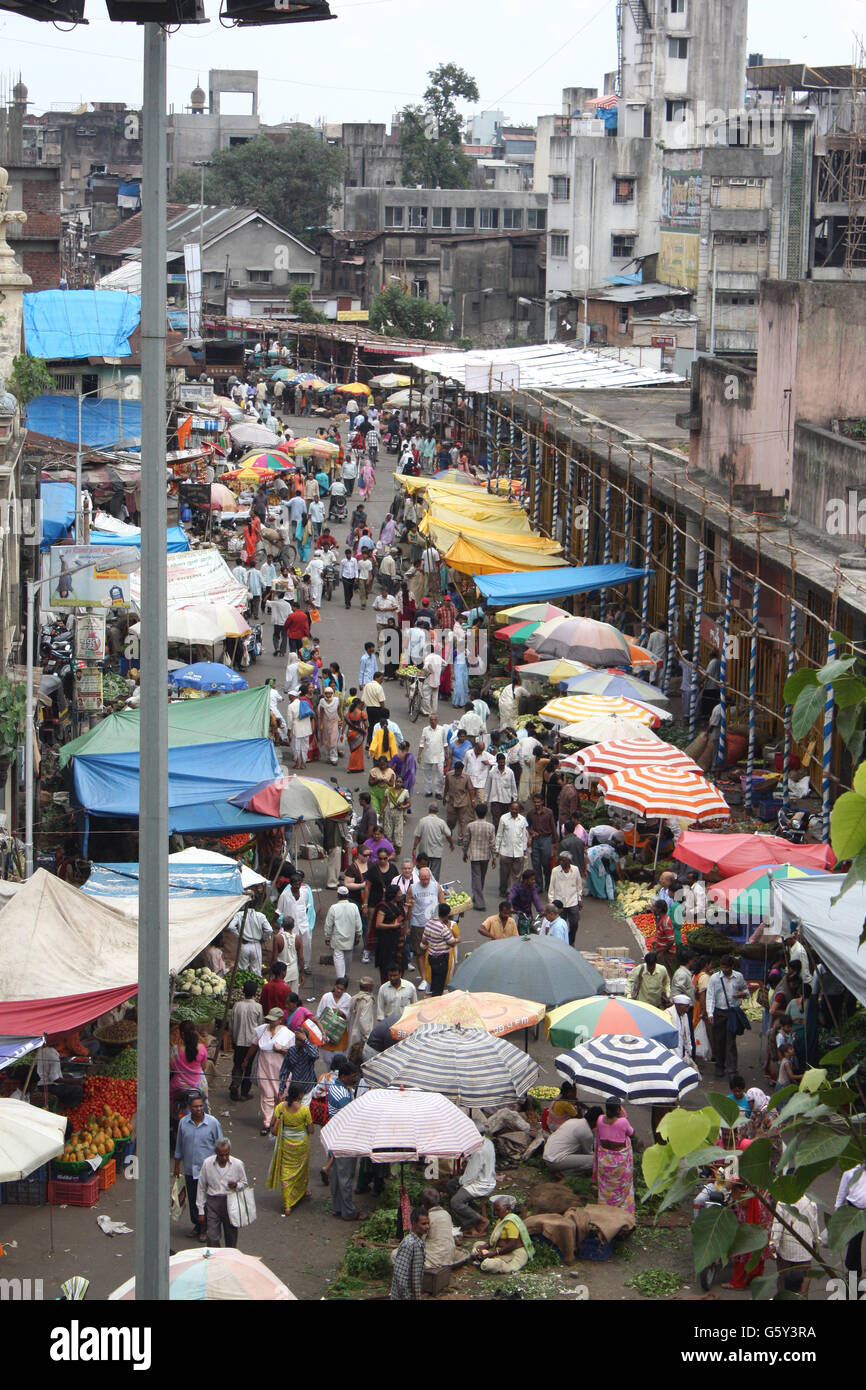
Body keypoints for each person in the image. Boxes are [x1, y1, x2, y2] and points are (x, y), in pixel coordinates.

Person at [173, 1094, 223, 1241]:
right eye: (195, 1106)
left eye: (201, 1106)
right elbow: (179, 1147)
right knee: (194, 1199)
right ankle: (197, 1225)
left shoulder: (213, 1123)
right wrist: (177, 1167)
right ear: (190, 1108)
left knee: (207, 1200)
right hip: (190, 1169)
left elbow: (221, 1146)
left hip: (208, 1171)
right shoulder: (183, 1123)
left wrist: (221, 1168)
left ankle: (205, 1228)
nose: (199, 1109)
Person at [267, 1081, 314, 1217]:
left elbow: (271, 1124)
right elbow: (311, 1130)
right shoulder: (304, 1110)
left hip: (285, 1144)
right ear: (300, 1095)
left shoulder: (280, 1107)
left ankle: (288, 1204)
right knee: (301, 1170)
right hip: (301, 1145)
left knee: (286, 1172)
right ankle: (301, 1192)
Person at [244, 1008, 292, 1134]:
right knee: (267, 1094)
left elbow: (292, 1053)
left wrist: (281, 1049)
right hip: (264, 1066)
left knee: (280, 1095)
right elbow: (254, 1045)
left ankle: (278, 1120)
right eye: (269, 1019)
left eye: (273, 1020)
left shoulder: (287, 1034)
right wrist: (246, 1059)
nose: (270, 1022)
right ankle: (267, 1122)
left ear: (280, 1020)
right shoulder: (262, 1030)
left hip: (280, 1068)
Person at [197, 1138, 248, 1248]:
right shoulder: (207, 1163)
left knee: (231, 1236)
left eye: (226, 1154)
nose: (224, 1157)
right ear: (216, 1153)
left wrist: (236, 1185)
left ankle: (230, 1259)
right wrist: (201, 1210)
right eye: (221, 1155)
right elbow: (201, 1187)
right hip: (212, 1202)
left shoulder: (238, 1164)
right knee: (212, 1236)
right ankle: (216, 1260)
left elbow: (244, 1183)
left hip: (230, 1202)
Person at [706, 953, 750, 1079]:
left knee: (730, 1042)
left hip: (732, 1013)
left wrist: (741, 994)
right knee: (719, 1041)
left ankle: (732, 1069)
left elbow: (746, 992)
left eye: (726, 967)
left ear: (732, 966)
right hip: (719, 1013)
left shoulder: (739, 977)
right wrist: (710, 1013)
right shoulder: (715, 978)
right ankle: (719, 1066)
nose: (724, 970)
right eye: (722, 967)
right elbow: (710, 996)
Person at [328, 1061, 362, 1221]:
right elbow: (350, 1118)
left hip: (335, 1138)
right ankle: (348, 1211)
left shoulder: (337, 1087)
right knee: (345, 1177)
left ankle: (338, 1207)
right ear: (343, 1076)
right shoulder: (342, 1095)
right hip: (344, 1139)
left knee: (337, 1176)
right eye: (352, 1077)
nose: (354, 1080)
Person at [447, 1127, 497, 1233]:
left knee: (455, 1202)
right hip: (487, 1178)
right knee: (451, 1184)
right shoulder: (488, 1142)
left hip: (480, 1184)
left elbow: (470, 1176)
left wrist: (461, 1183)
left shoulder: (478, 1151)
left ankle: (476, 1221)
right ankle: (472, 1209)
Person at [472, 1194, 534, 1275]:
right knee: (477, 1245)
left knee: (488, 1265)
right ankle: (487, 1259)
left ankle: (493, 1263)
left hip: (514, 1253)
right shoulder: (501, 1220)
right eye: (494, 1210)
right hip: (501, 1250)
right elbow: (494, 1239)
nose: (495, 1212)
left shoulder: (510, 1222)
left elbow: (512, 1245)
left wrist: (494, 1253)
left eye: (498, 1210)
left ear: (507, 1209)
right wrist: (485, 1246)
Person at [594, 1098, 635, 1215]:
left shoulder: (600, 1119)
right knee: (622, 1191)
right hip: (620, 1164)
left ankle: (605, 1211)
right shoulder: (623, 1122)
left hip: (605, 1161)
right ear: (618, 1109)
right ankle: (622, 1212)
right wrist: (623, 1116)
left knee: (606, 1188)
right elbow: (632, 1133)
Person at [834, 1162, 866, 1281]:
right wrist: (838, 1212)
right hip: (854, 1209)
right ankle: (853, 1271)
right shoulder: (850, 1172)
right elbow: (842, 1193)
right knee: (854, 1242)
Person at [390, 1207, 429, 1299]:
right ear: (414, 1224)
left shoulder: (420, 1242)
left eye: (428, 1223)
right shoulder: (409, 1244)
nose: (427, 1226)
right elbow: (400, 1275)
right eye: (423, 1224)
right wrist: (407, 1296)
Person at [420, 903, 458, 996]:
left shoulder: (429, 923)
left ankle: (433, 996)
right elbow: (451, 942)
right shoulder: (443, 928)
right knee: (439, 985)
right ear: (447, 914)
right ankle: (435, 1000)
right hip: (441, 959)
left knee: (434, 980)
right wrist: (458, 939)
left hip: (431, 957)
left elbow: (424, 939)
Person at [495, 800, 530, 898]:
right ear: (510, 809)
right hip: (506, 851)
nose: (514, 811)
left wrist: (524, 849)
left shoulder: (522, 820)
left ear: (519, 810)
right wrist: (497, 849)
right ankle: (503, 889)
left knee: (517, 874)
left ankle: (513, 892)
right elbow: (499, 834)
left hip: (518, 851)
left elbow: (524, 836)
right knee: (504, 873)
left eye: (516, 809)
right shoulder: (504, 818)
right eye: (512, 809)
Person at [464, 806, 496, 910]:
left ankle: (479, 901)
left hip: (475, 855)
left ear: (476, 813)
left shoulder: (470, 826)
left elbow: (466, 841)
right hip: (485, 856)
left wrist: (464, 852)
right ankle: (479, 900)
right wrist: (494, 857)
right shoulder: (490, 827)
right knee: (481, 877)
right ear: (486, 813)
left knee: (476, 878)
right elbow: (492, 843)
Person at [547, 850, 582, 945]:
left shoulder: (575, 870)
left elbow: (579, 886)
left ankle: (571, 941)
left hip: (572, 901)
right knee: (561, 924)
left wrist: (579, 899)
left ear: (569, 861)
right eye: (561, 860)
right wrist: (551, 903)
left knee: (574, 923)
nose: (562, 862)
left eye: (564, 860)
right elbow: (551, 888)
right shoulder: (555, 871)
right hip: (559, 902)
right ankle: (563, 942)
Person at [412, 801, 453, 882]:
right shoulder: (441, 822)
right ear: (437, 811)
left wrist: (414, 848)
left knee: (422, 871)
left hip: (424, 852)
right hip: (436, 853)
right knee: (434, 874)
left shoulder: (423, 821)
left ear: (429, 810)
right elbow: (448, 835)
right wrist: (451, 845)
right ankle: (434, 889)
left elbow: (418, 836)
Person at [277, 1025, 319, 1099]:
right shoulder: (291, 1051)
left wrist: (305, 1040)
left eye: (300, 1039)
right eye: (296, 1039)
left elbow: (315, 1055)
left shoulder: (311, 1049)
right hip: (294, 1089)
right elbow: (285, 1070)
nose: (297, 1041)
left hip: (308, 1088)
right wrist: (281, 1087)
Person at [442, 759, 475, 848]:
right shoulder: (449, 775)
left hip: (462, 802)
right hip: (451, 801)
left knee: (462, 821)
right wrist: (444, 797)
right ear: (455, 769)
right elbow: (446, 787)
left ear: (462, 769)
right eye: (457, 770)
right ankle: (450, 829)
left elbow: (470, 789)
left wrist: (472, 801)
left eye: (460, 770)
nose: (458, 772)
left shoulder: (466, 777)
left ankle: (461, 837)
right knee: (450, 820)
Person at [485, 752, 519, 830]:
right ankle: (496, 835)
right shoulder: (492, 772)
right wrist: (486, 799)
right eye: (500, 762)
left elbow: (513, 786)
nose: (502, 764)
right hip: (495, 799)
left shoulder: (510, 772)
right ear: (497, 762)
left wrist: (514, 799)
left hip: (506, 799)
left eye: (503, 762)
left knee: (505, 819)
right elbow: (488, 786)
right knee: (496, 819)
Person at [418, 714, 447, 798]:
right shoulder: (425, 730)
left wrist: (447, 755)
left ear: (437, 721)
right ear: (429, 721)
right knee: (427, 774)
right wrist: (419, 755)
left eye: (434, 720)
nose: (433, 721)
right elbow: (421, 743)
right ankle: (428, 791)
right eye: (431, 720)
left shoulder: (442, 729)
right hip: (428, 755)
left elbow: (445, 743)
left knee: (441, 774)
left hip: (440, 756)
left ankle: (438, 791)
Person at [668, 994, 696, 1062]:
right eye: (685, 1007)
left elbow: (687, 1035)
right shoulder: (668, 1015)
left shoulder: (684, 1016)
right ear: (678, 1005)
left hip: (682, 1054)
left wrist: (689, 1052)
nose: (687, 1010)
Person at [345, 697, 368, 773]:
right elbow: (366, 724)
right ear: (358, 704)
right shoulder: (361, 713)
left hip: (350, 734)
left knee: (353, 751)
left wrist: (342, 733)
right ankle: (353, 767)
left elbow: (345, 721)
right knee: (357, 751)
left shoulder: (349, 712)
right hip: (358, 734)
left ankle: (358, 767)